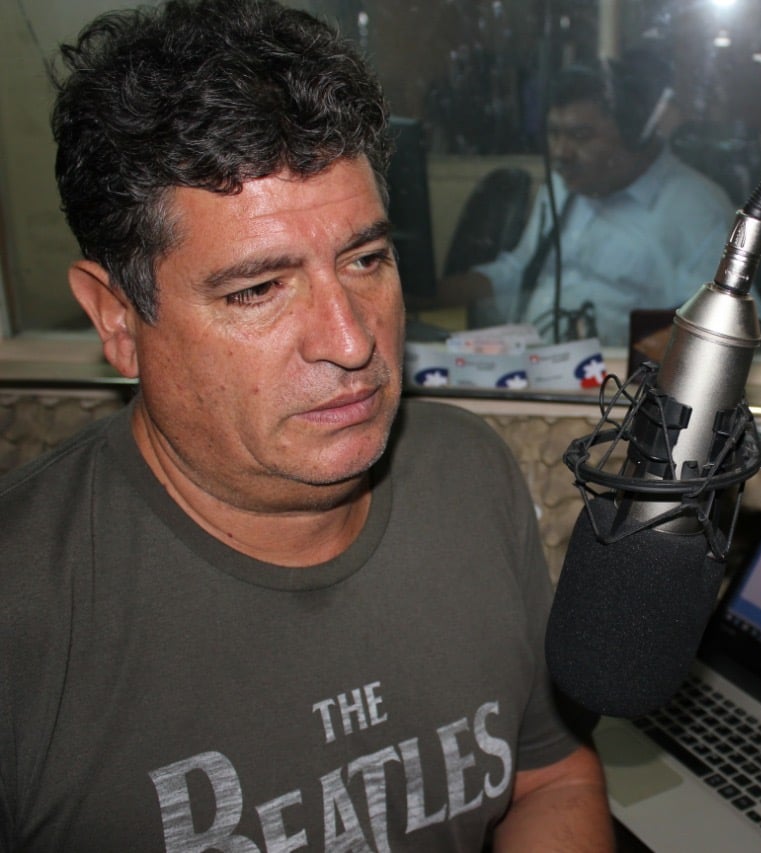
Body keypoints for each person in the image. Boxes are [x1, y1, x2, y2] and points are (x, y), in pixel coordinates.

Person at [0, 1, 612, 850]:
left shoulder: (470, 471)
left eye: (366, 259)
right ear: (116, 318)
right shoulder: (24, 603)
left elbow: (550, 776)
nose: (351, 340)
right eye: (257, 289)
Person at [440, 50, 761, 348]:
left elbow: (731, 323)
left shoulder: (693, 207)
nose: (561, 153)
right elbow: (520, 273)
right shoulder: (562, 187)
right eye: (554, 134)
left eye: (580, 136)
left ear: (634, 136)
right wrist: (430, 294)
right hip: (533, 367)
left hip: (620, 384)